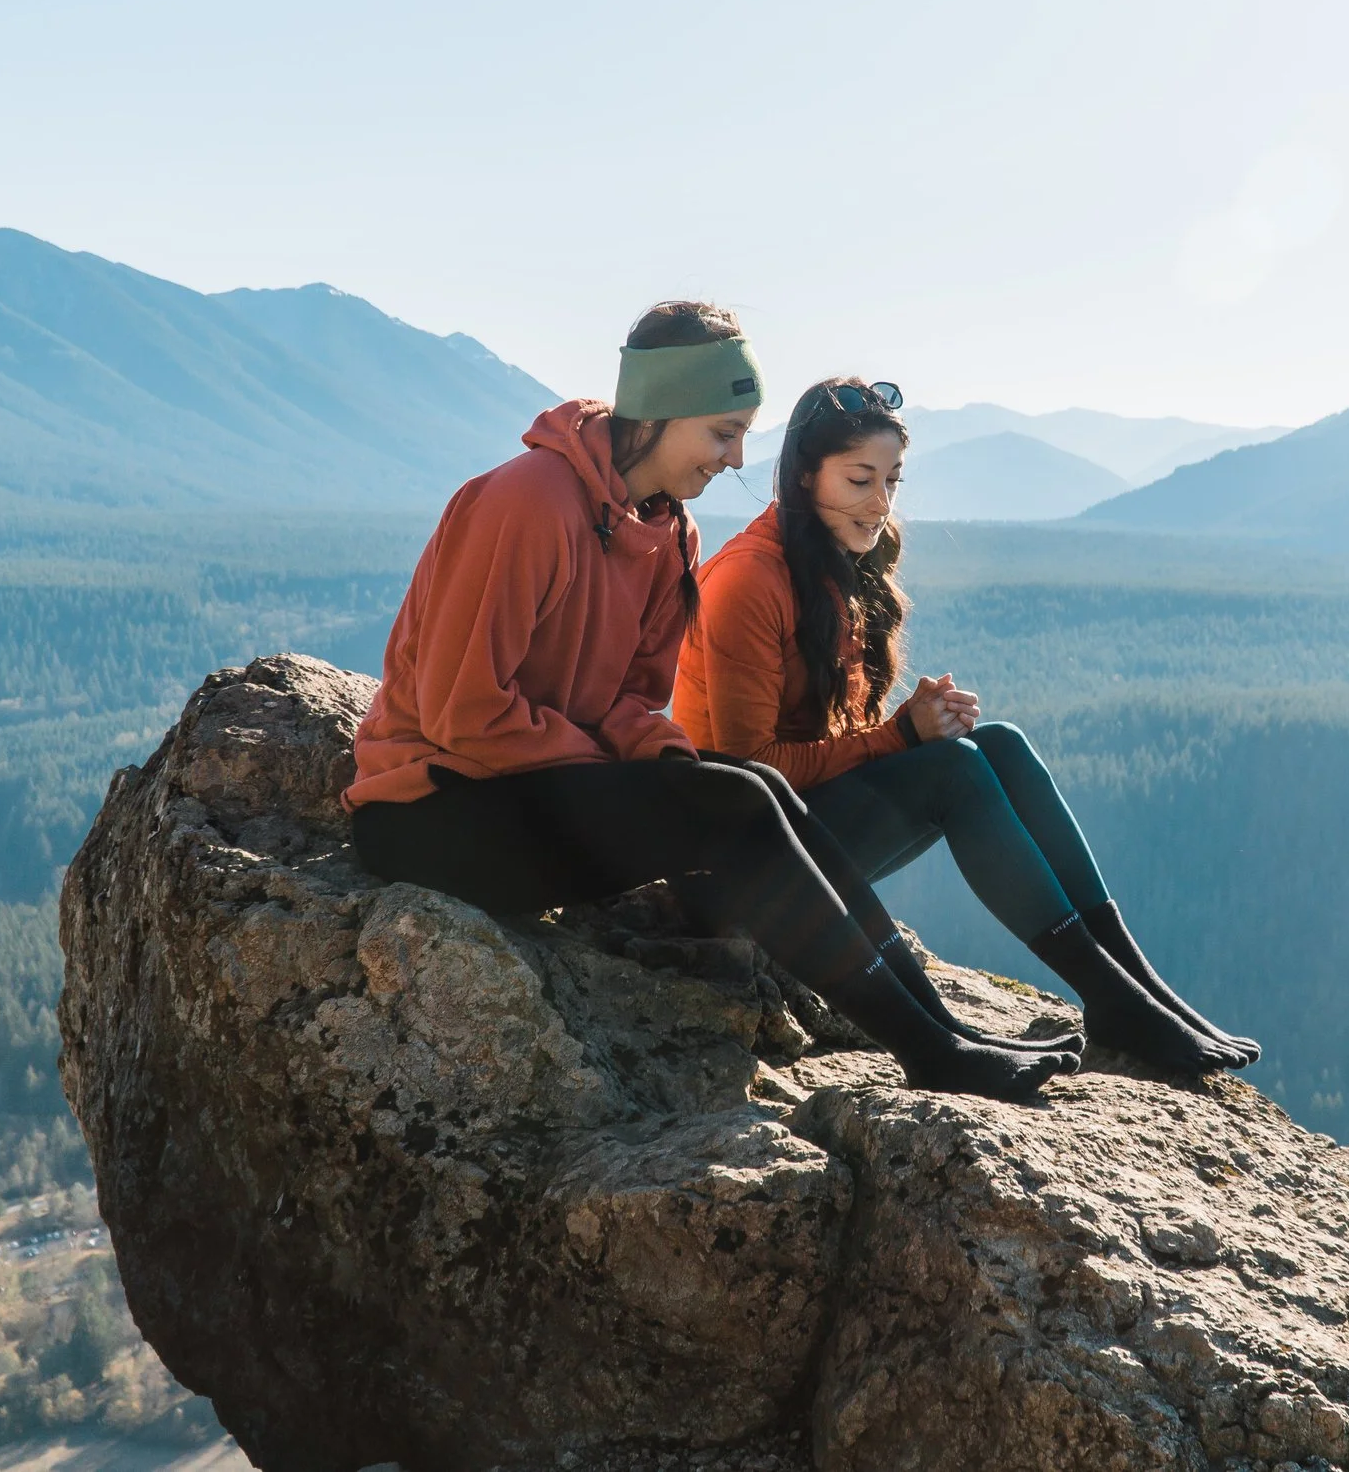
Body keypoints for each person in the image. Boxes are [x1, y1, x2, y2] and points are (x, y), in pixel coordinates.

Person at [341, 303, 1078, 1102]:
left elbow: (630, 700)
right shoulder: (527, 503)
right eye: (722, 431)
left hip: (529, 788)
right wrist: (621, 771)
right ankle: (932, 1051)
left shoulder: (669, 534)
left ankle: (942, 1030)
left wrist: (663, 761)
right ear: (660, 410)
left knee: (748, 788)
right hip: (432, 811)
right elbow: (465, 713)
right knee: (733, 805)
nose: (734, 459)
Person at [671, 376, 1259, 1076]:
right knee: (953, 771)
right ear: (804, 474)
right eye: (861, 478)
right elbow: (748, 769)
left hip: (800, 848)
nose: (880, 502)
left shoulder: (833, 564)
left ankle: (1133, 989)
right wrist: (901, 738)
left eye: (892, 480)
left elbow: (827, 744)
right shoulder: (749, 580)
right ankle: (1116, 1000)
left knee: (998, 745)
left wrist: (910, 727)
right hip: (737, 873)